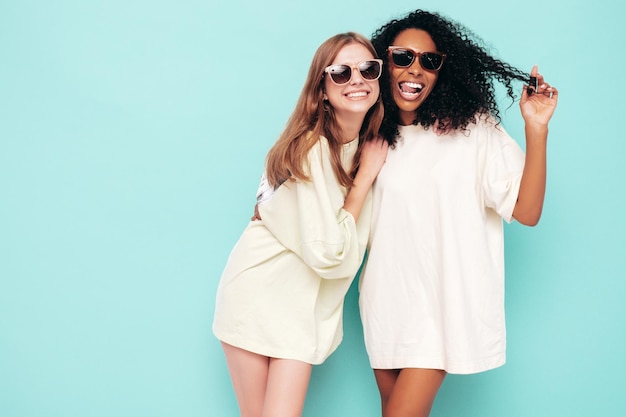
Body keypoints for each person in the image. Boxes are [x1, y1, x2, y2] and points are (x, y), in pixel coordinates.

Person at [357, 10, 559, 417]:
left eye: (429, 61)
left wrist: (536, 130)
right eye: (403, 57)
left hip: (440, 310)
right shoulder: (370, 136)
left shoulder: (472, 131)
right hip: (384, 303)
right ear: (383, 62)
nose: (415, 70)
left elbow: (528, 211)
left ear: (443, 72)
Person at [212, 32, 388, 417]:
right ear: (322, 89)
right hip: (257, 293)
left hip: (298, 308)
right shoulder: (314, 146)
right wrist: (363, 182)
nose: (357, 79)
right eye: (341, 72)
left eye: (368, 69)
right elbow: (329, 252)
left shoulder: (363, 147)